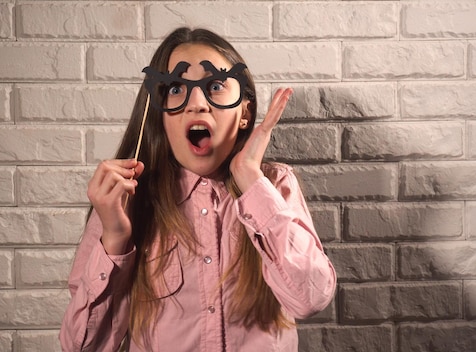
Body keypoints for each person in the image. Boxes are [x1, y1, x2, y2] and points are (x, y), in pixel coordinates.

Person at [59, 27, 336, 352]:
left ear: (244, 113)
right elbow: (83, 347)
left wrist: (250, 179)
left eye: (215, 86)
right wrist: (115, 239)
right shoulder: (126, 201)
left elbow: (311, 298)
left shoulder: (275, 185)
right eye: (176, 88)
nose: (197, 104)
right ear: (160, 114)